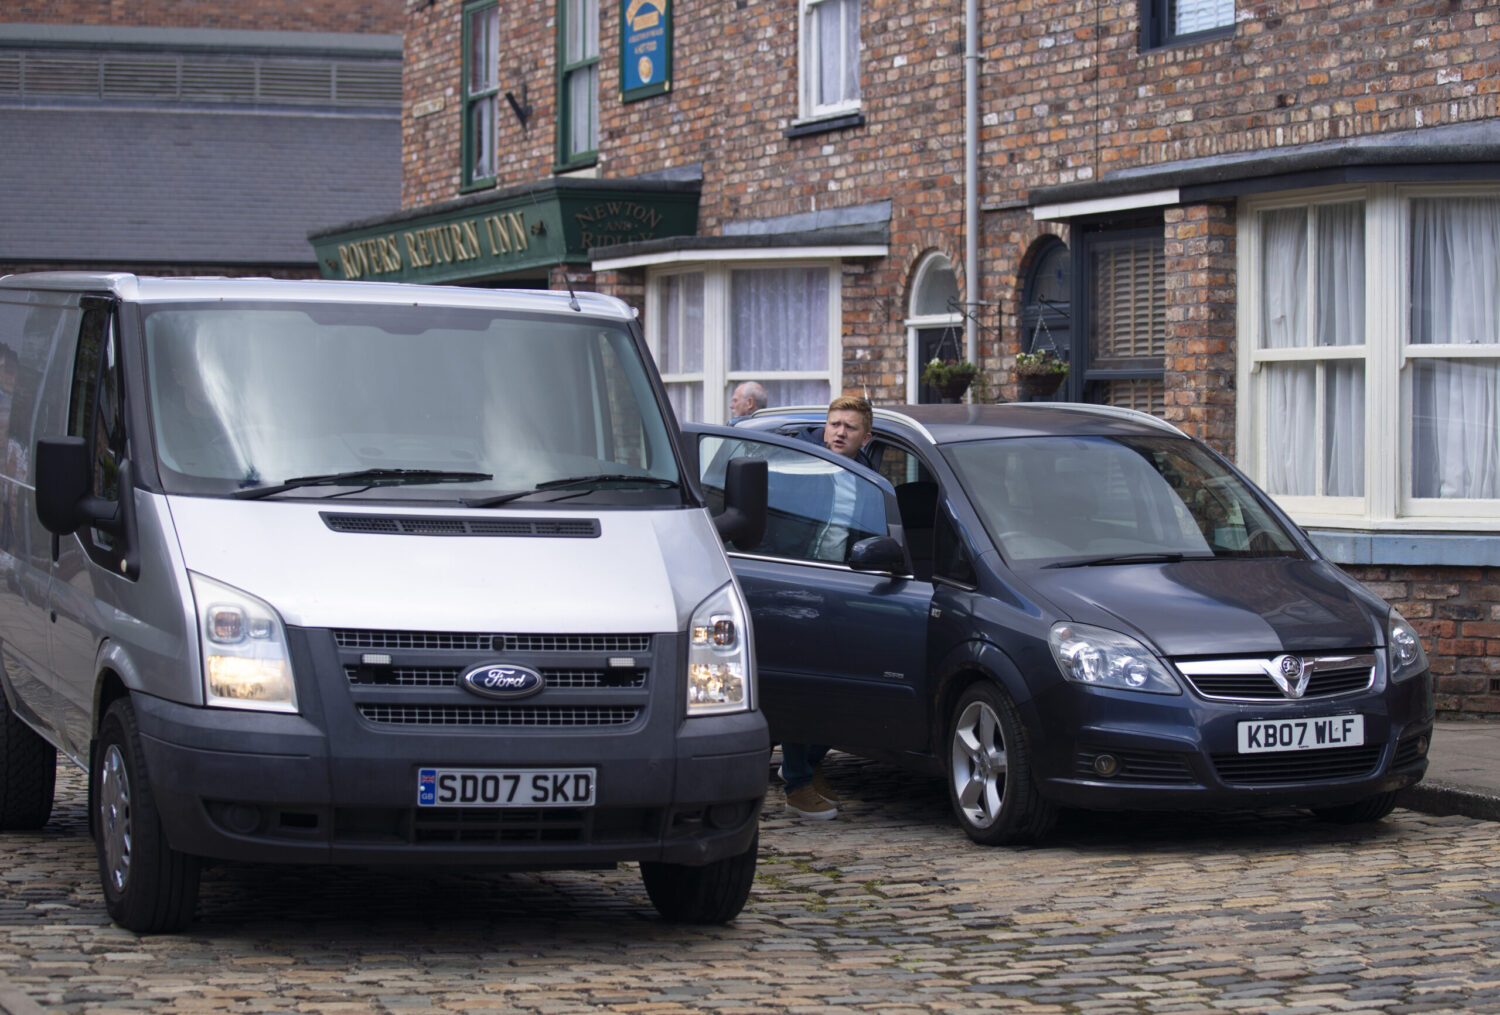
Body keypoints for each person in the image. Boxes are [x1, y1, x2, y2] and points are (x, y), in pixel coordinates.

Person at [782, 394, 875, 820]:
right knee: (803, 688)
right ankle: (797, 782)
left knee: (842, 690)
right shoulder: (801, 464)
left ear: (865, 437)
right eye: (834, 424)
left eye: (850, 427)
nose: (839, 432)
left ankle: (809, 764)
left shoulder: (868, 478)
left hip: (842, 592)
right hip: (797, 587)